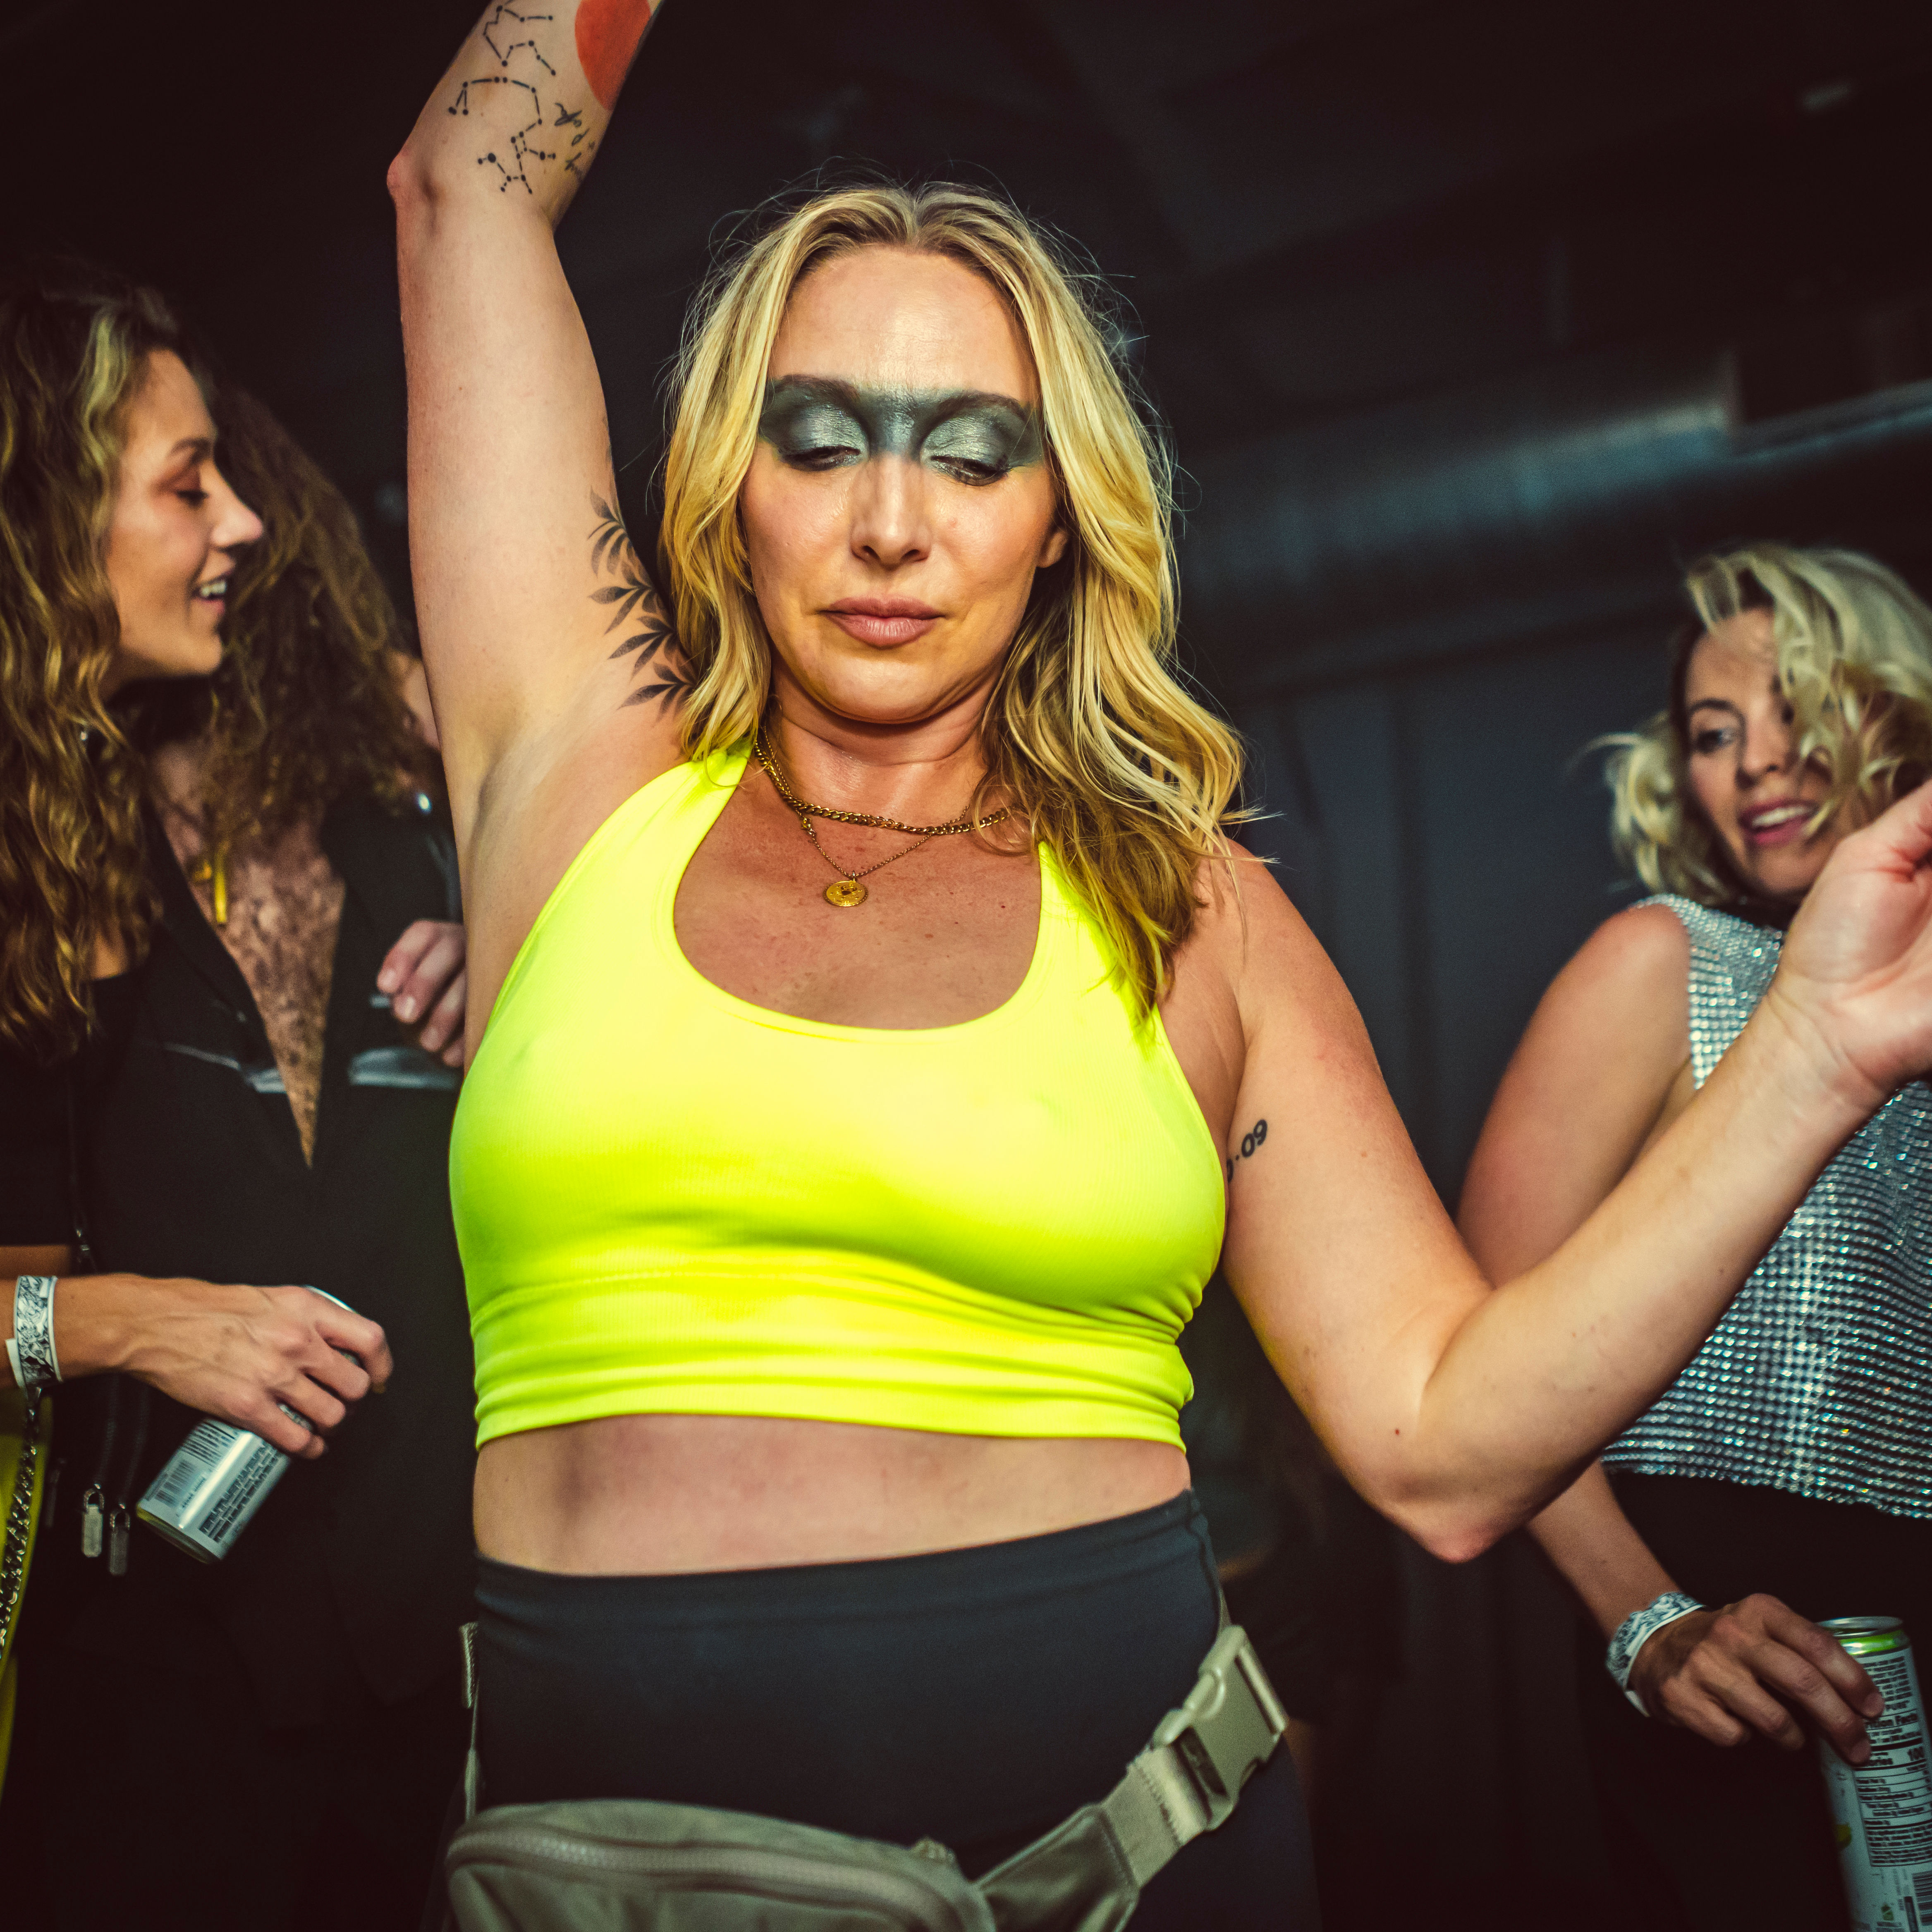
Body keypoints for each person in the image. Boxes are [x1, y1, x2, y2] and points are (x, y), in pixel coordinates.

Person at [391, 8, 1932, 1921]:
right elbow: (465, 184)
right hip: (615, 1874)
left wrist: (1819, 1045)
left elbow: (1443, 1438)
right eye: (821, 438)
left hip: (1130, 1869)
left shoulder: (1189, 908)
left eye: (974, 455)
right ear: (728, 483)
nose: (891, 522)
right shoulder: (576, 777)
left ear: (1058, 525)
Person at [0, 262, 479, 1932]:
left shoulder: (398, 820)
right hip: (148, 1696)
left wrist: (527, 962)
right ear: (44, 517)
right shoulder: (42, 858)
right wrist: (127, 1319)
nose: (251, 528)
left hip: (447, 1670)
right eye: (189, 484)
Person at [1459, 544, 1932, 1931]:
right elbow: (1478, 1358)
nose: (1756, 765)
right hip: (1734, 1643)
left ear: (1894, 708)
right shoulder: (1665, 961)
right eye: (1714, 734)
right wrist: (1650, 1623)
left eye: (1797, 707)